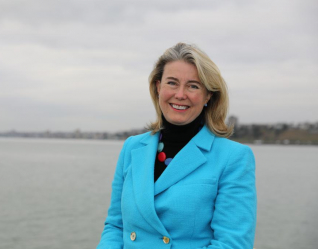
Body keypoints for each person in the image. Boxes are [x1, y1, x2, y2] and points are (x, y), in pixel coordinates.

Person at [97, 42, 257, 249]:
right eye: (172, 83)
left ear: (208, 95)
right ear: (158, 87)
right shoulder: (132, 147)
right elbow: (116, 227)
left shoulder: (233, 157)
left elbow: (233, 244)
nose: (180, 95)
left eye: (193, 86)